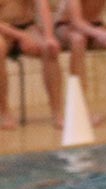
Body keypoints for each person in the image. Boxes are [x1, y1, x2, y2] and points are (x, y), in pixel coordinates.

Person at [0, 0, 63, 128]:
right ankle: (3, 112)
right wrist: (20, 36)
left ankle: (58, 113)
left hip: (27, 26)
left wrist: (49, 36)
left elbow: (43, 8)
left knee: (49, 48)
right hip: (3, 29)